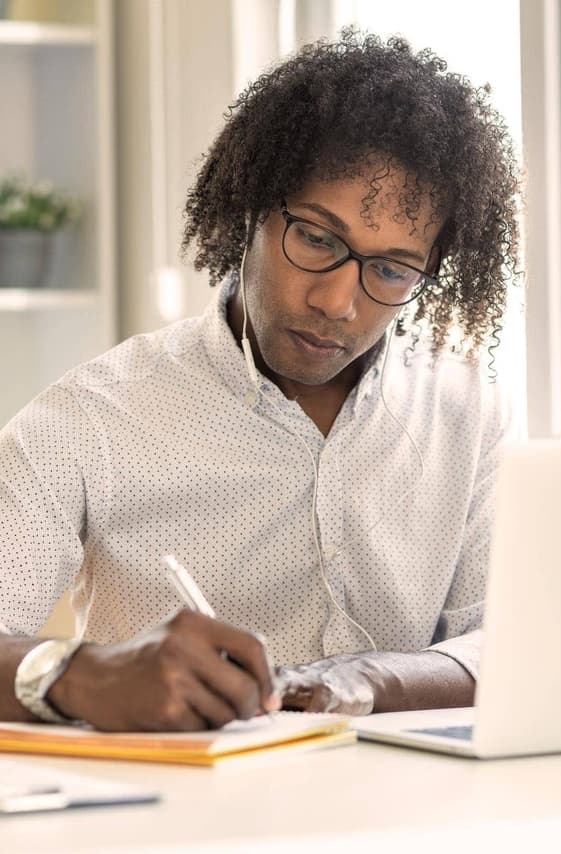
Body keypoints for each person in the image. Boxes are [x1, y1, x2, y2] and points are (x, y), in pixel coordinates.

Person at [0, 29, 519, 731]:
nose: (339, 302)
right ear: (250, 207)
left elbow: (510, 644)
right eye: (315, 238)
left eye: (392, 270)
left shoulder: (469, 416)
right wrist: (83, 675)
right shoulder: (84, 423)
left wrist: (357, 678)